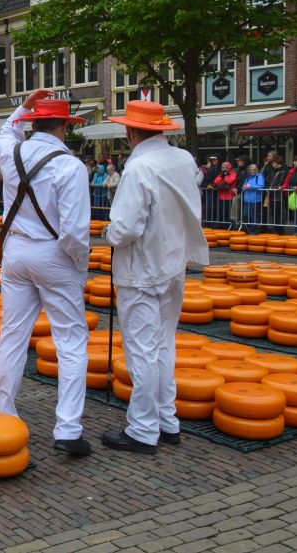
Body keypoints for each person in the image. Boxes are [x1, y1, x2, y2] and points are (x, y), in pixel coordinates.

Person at [101, 100, 209, 454]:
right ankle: (166, 419)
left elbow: (126, 228)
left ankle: (143, 429)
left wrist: (108, 233)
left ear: (131, 131)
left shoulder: (139, 167)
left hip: (141, 271)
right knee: (164, 344)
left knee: (142, 350)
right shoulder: (183, 159)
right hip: (173, 264)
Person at [0, 89, 92, 457]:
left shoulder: (11, 153)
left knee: (12, 335)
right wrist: (79, 266)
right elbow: (75, 232)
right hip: (54, 254)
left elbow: (6, 131)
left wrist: (23, 106)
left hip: (15, 251)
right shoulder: (71, 167)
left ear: (33, 124)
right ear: (64, 126)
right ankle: (68, 428)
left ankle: (1, 412)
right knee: (71, 341)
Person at [241, 164, 265, 234]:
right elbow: (243, 187)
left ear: (257, 170)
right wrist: (244, 187)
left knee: (254, 216)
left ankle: (254, 230)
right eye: (251, 170)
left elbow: (261, 186)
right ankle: (249, 229)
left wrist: (250, 187)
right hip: (246, 199)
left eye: (254, 169)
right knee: (245, 214)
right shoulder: (248, 178)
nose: (252, 171)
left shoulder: (259, 177)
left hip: (255, 200)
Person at [212, 162, 237, 228]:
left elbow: (230, 181)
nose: (223, 168)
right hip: (221, 196)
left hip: (229, 196)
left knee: (228, 213)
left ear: (228, 167)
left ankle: (228, 226)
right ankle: (220, 226)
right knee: (221, 212)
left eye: (224, 167)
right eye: (222, 167)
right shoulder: (221, 174)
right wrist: (222, 176)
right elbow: (215, 181)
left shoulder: (233, 174)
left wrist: (225, 176)